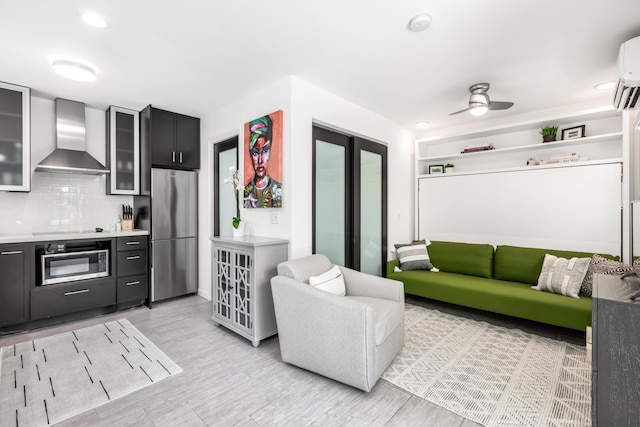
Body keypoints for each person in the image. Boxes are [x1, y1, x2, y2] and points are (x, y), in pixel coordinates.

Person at [244, 115, 282, 208]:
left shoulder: (279, 191)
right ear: (250, 153)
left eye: (265, 151)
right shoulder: (245, 193)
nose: (260, 160)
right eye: (255, 153)